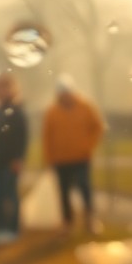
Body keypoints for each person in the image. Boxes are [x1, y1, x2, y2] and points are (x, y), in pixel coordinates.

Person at [42, 76, 104, 232]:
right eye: (62, 94)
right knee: (63, 193)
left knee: (85, 188)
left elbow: (97, 127)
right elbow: (47, 137)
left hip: (81, 158)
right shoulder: (52, 112)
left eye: (67, 93)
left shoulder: (85, 107)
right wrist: (49, 158)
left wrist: (88, 146)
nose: (65, 97)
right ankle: (67, 222)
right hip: (61, 160)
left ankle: (90, 220)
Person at [0, 73, 28, 244]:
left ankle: (13, 229)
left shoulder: (17, 111)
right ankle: (0, 228)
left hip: (11, 162)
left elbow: (22, 137)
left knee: (11, 195)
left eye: (4, 87)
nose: (1, 91)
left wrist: (18, 158)